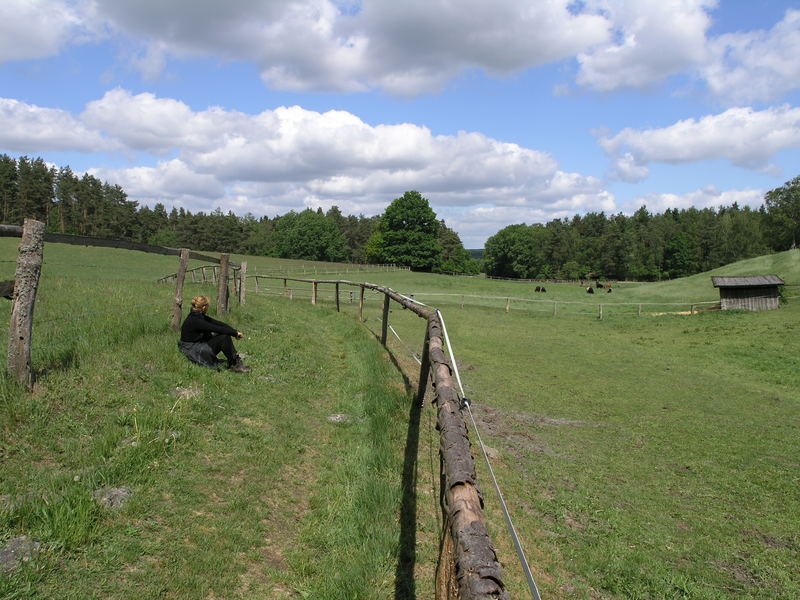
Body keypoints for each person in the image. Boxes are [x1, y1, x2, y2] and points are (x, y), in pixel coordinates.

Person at [178, 295, 251, 373]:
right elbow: (218, 329)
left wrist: (235, 332)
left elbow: (219, 324)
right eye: (207, 305)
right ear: (203, 307)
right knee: (224, 337)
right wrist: (234, 333)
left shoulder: (197, 316)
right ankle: (234, 364)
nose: (208, 307)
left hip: (196, 345)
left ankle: (233, 361)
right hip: (192, 350)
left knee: (221, 335)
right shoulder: (196, 320)